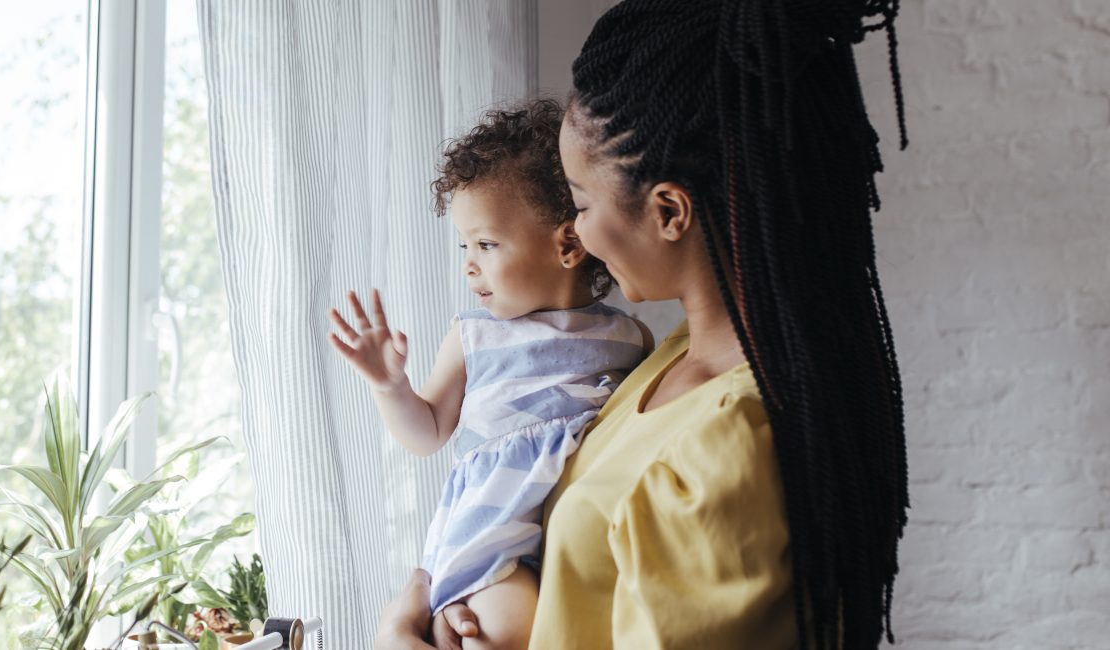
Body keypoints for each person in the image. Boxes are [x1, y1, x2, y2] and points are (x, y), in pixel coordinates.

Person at [375, 0, 911, 647]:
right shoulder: (659, 359)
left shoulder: (726, 451)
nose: (576, 234)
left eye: (580, 204)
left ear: (668, 212)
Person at [329, 99, 649, 649]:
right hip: (492, 535)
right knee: (511, 627)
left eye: (487, 244)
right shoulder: (475, 336)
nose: (468, 264)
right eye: (465, 245)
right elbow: (426, 433)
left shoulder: (626, 338)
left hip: (575, 535)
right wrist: (390, 386)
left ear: (567, 245)